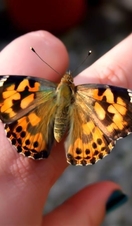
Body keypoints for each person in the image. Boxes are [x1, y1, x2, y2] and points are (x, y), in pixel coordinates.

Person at [0, 31, 131, 226]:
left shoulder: (33, 88)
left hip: (36, 121)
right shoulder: (95, 95)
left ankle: (36, 143)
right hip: (84, 127)